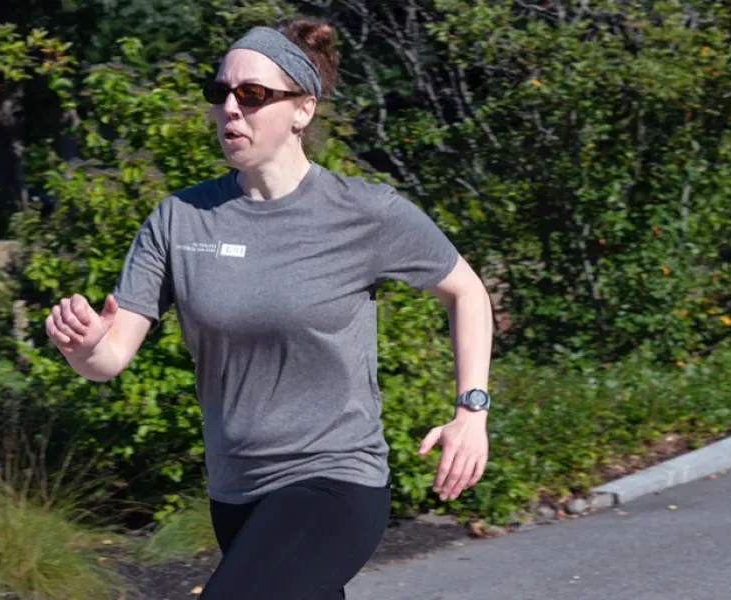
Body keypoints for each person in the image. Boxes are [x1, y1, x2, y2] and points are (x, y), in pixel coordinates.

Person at [44, 18, 495, 599]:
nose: (230, 108)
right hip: (236, 492)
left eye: (253, 95)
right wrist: (82, 347)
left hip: (335, 481)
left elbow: (468, 291)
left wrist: (472, 411)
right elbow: (109, 359)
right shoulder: (180, 220)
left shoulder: (365, 213)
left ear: (302, 110)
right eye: (220, 92)